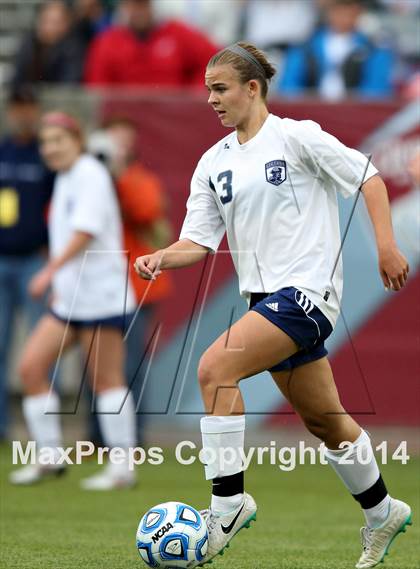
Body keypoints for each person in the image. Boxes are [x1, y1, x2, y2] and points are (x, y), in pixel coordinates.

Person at [134, 42, 411, 568]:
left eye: (220, 89)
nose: (211, 100)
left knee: (215, 369)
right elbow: (198, 241)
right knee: (327, 422)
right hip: (265, 302)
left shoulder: (297, 137)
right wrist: (162, 258)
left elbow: (369, 177)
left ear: (252, 89)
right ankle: (383, 513)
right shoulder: (212, 163)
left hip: (307, 295)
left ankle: (228, 503)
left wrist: (386, 246)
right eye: (208, 90)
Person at [9, 112, 137, 490]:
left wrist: (48, 271)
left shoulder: (90, 175)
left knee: (105, 380)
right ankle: (49, 457)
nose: (51, 148)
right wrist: (60, 280)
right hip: (71, 300)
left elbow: (85, 231)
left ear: (77, 141)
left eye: (58, 141)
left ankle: (123, 468)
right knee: (31, 368)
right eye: (46, 143)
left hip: (102, 296)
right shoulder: (65, 177)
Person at [88, 117, 173, 444]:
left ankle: (132, 437)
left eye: (125, 142)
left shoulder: (140, 179)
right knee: (96, 365)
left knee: (132, 365)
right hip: (98, 286)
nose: (118, 149)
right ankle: (96, 437)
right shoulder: (88, 180)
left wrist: (118, 177)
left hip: (137, 288)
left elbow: (147, 211)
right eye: (113, 142)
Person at [0, 86, 54, 441]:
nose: (22, 114)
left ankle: (44, 436)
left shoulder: (46, 155)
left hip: (35, 262)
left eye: (28, 107)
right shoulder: (2, 151)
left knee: (42, 350)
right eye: (17, 108)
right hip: (2, 260)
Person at [84, 0, 218, 87]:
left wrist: (191, 98)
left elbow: (213, 61)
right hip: (126, 120)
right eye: (132, 5)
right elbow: (98, 87)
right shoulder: (107, 42)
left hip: (175, 117)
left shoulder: (178, 33)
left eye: (143, 5)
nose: (139, 11)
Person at [278, 0, 395, 100]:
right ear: (329, 11)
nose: (344, 15)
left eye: (349, 8)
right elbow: (289, 89)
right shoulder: (304, 48)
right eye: (338, 9)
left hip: (353, 116)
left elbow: (376, 92)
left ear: (358, 11)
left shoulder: (373, 50)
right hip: (310, 115)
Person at [12, 0, 86, 86]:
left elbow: (69, 85)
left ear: (67, 23)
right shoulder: (30, 45)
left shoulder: (74, 49)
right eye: (45, 20)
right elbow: (17, 81)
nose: (49, 27)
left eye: (55, 22)